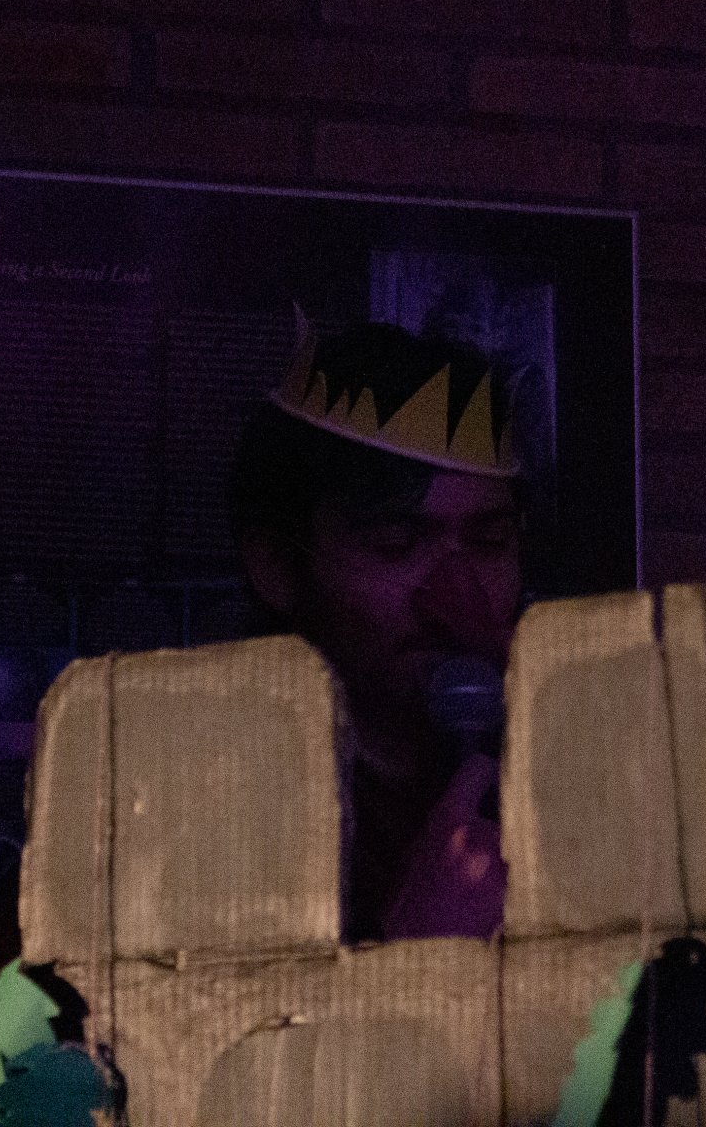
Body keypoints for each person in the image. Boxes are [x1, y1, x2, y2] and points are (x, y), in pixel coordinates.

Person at [229, 316, 523, 942]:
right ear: (277, 566)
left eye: (491, 543)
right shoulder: (212, 803)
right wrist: (418, 953)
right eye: (396, 545)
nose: (457, 600)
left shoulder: (575, 777)